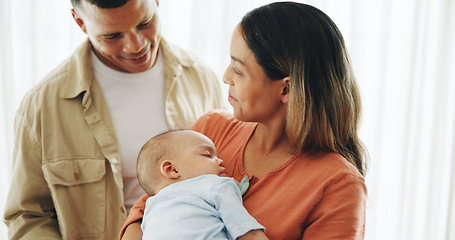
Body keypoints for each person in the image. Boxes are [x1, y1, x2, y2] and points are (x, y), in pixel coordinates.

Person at [121, 2, 368, 240]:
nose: (226, 76)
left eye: (238, 70)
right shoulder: (209, 132)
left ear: (286, 90)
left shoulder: (338, 185)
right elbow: (145, 211)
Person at [2, 0, 225, 239]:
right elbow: (29, 216)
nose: (136, 45)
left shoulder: (202, 78)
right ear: (81, 23)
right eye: (112, 36)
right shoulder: (40, 107)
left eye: (144, 23)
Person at [136, 129, 267, 240]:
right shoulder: (214, 184)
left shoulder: (150, 208)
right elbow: (246, 231)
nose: (221, 161)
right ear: (172, 169)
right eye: (207, 155)